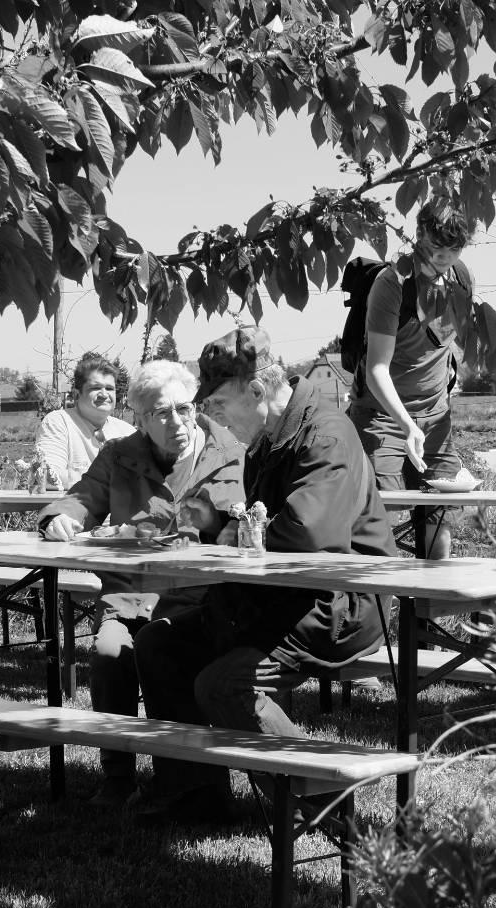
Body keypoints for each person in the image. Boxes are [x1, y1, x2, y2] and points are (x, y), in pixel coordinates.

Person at [130, 327, 397, 823]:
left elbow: (309, 535)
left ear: (256, 390)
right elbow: (263, 529)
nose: (214, 418)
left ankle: (324, 803)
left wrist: (233, 534)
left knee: (222, 684)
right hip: (279, 596)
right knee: (158, 644)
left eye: (218, 405)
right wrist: (217, 523)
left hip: (338, 603)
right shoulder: (268, 437)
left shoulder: (327, 433)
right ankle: (196, 796)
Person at [35, 360, 245, 806]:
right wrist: (60, 518)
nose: (177, 422)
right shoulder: (119, 455)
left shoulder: (227, 453)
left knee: (168, 652)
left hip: (196, 595)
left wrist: (216, 524)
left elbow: (236, 522)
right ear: (141, 419)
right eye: (162, 413)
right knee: (110, 653)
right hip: (129, 593)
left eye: (184, 409)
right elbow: (82, 498)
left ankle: (186, 780)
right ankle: (118, 774)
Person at [349, 200, 476, 560]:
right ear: (419, 235)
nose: (444, 257)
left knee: (439, 513)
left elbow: (451, 339)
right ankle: (375, 593)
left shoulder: (461, 277)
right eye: (436, 247)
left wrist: (451, 377)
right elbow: (376, 369)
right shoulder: (393, 284)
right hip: (383, 417)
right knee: (380, 515)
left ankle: (434, 593)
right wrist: (407, 426)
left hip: (436, 416)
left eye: (454, 249)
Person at [32, 353, 134, 490]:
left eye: (110, 388)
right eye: (95, 388)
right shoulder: (59, 422)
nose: (104, 394)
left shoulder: (128, 432)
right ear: (76, 395)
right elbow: (46, 476)